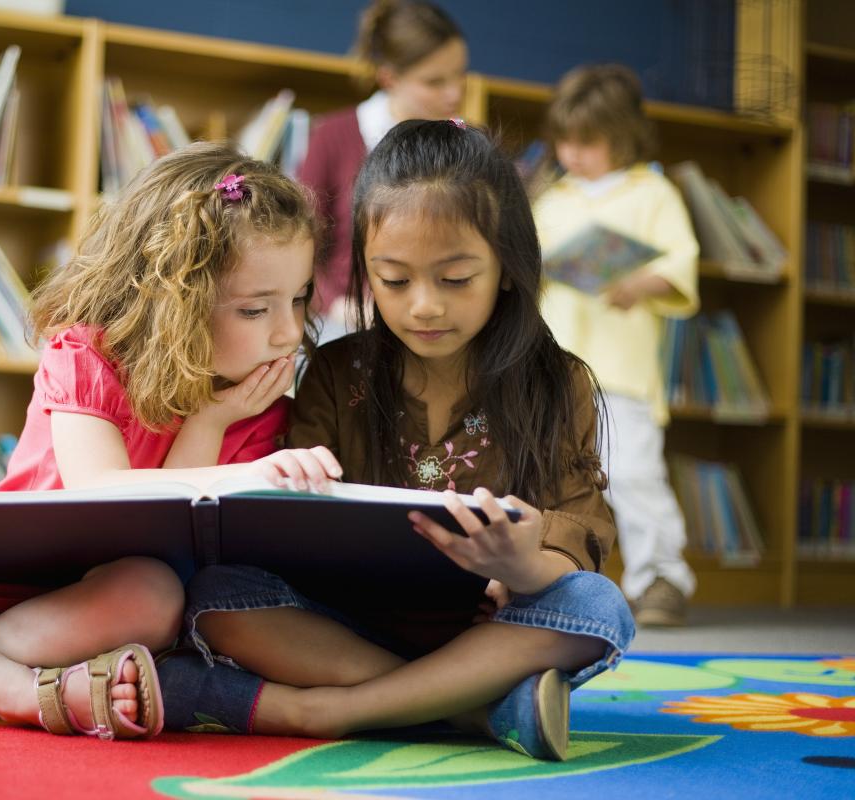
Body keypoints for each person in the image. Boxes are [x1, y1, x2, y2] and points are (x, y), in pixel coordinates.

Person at [0, 142, 332, 740]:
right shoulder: (88, 353)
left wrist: (208, 423)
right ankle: (12, 690)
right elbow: (100, 489)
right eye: (255, 310)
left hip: (76, 611)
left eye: (299, 298)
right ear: (172, 300)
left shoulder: (257, 405)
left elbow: (175, 544)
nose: (288, 331)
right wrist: (230, 469)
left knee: (156, 595)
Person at [162, 120, 634, 761]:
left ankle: (314, 710)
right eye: (394, 279)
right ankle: (475, 708)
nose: (423, 307)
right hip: (347, 627)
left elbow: (583, 526)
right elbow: (284, 528)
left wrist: (522, 565)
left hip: (492, 632)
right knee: (218, 594)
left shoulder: (558, 383)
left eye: (456, 278)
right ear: (364, 270)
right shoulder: (335, 372)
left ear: (509, 268)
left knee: (598, 607)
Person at [534, 64, 700, 627]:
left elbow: (681, 264)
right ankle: (557, 576)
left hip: (622, 369)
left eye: (588, 141)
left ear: (623, 135)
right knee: (553, 475)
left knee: (632, 475)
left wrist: (640, 283)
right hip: (554, 367)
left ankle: (659, 578)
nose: (573, 152)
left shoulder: (653, 192)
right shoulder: (549, 198)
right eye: (565, 140)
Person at [297, 0, 467, 340]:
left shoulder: (465, 143)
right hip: (346, 327)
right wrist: (332, 304)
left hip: (435, 327)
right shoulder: (332, 136)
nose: (455, 93)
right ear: (389, 78)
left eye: (460, 74)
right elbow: (297, 240)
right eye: (434, 82)